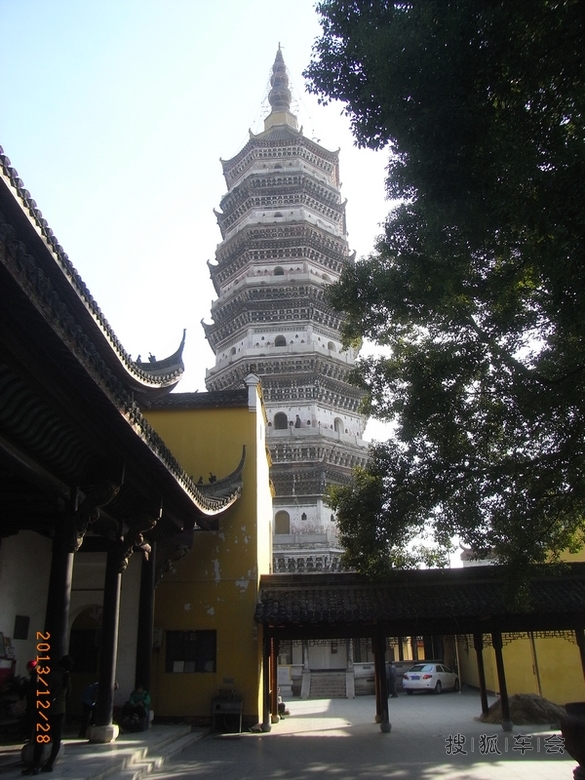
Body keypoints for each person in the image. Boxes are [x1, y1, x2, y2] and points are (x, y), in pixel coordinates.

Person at [22, 655, 72, 775]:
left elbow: (45, 693)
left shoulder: (53, 675)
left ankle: (35, 765)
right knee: (56, 738)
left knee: (40, 737)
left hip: (48, 710)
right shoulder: (67, 677)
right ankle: (50, 763)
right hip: (61, 710)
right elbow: (68, 694)